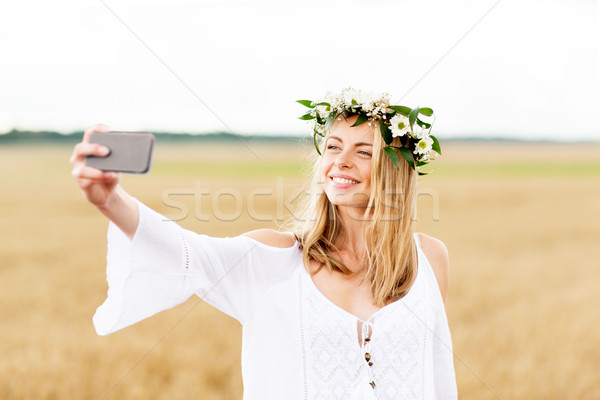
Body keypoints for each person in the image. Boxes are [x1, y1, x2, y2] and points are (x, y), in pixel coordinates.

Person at [70, 88, 457, 399]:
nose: (341, 161)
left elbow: (436, 375)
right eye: (334, 147)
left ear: (396, 168)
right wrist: (110, 200)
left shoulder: (429, 259)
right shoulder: (275, 259)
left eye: (364, 152)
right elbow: (189, 254)